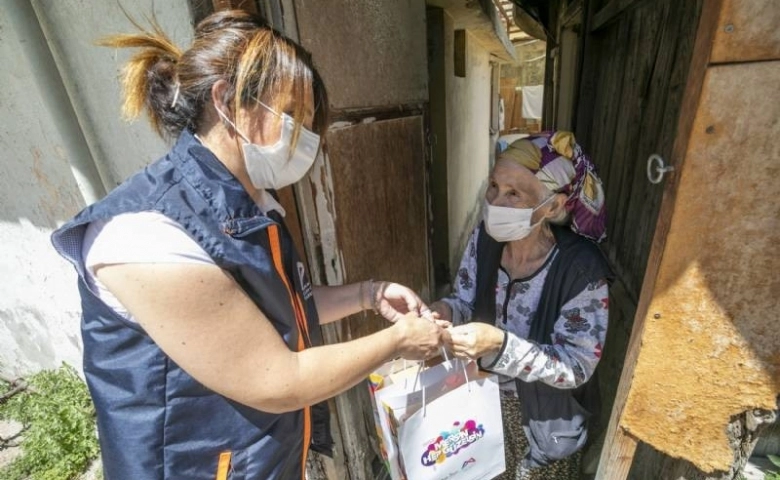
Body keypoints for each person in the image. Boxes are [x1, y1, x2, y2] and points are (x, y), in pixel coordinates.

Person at [50, 10, 446, 480]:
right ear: (227, 101)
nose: (307, 137)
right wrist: (399, 341)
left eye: (310, 123)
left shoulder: (253, 205)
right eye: (293, 115)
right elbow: (278, 380)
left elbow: (281, 311)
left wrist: (369, 293)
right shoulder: (148, 235)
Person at [434, 131, 612, 479]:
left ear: (554, 206)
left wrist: (499, 346)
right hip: (482, 404)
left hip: (546, 423)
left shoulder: (581, 270)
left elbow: (576, 366)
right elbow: (465, 301)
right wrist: (445, 311)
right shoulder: (484, 238)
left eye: (515, 193)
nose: (496, 202)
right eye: (494, 187)